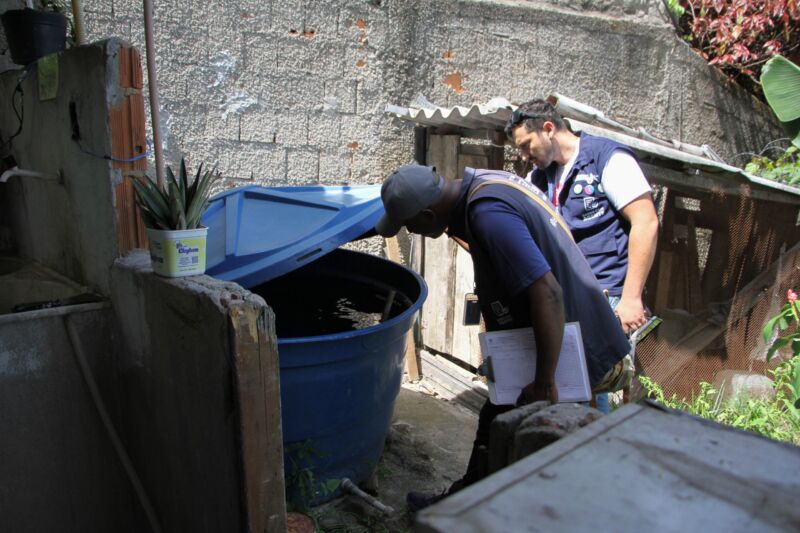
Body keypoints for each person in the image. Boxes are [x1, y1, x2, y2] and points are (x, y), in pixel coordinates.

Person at [374, 164, 630, 511]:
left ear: (429, 214)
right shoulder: (486, 183)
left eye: (409, 225)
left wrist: (544, 380)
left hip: (567, 352)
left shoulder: (488, 213)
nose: (411, 231)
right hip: (550, 341)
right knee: (495, 427)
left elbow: (547, 293)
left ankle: (473, 513)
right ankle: (462, 506)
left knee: (538, 447)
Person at [505, 99, 659, 336]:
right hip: (567, 297)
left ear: (548, 129)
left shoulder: (607, 158)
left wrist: (631, 298)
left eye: (526, 145)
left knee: (612, 373)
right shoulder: (540, 177)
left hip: (609, 297)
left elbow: (646, 223)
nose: (524, 156)